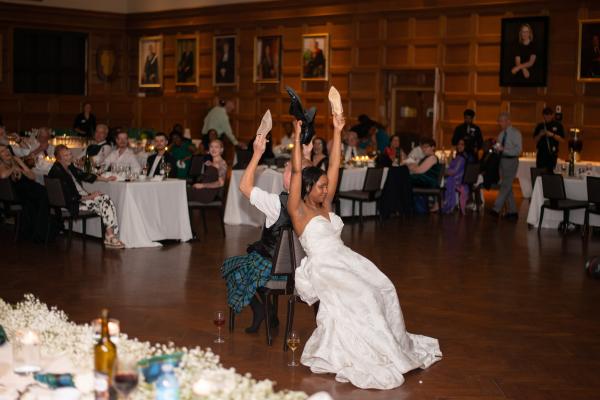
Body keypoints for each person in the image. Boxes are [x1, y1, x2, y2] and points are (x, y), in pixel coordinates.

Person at [287, 113, 441, 390]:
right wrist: (297, 138)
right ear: (307, 188)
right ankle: (373, 354)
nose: (326, 190)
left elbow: (335, 165)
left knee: (385, 287)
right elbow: (297, 172)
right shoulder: (298, 211)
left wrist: (337, 130)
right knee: (366, 296)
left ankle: (393, 345)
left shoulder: (325, 204)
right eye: (321, 187)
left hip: (345, 258)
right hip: (325, 267)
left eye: (326, 186)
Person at [49, 145, 124, 248]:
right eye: (65, 155)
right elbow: (70, 197)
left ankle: (110, 235)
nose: (70, 157)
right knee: (104, 201)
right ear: (58, 158)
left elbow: (84, 175)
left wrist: (105, 179)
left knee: (104, 200)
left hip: (78, 199)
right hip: (71, 204)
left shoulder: (68, 167)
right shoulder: (58, 172)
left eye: (70, 154)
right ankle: (110, 236)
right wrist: (90, 197)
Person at [0, 144, 52, 242]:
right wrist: (13, 168)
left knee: (44, 195)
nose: (6, 152)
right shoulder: (2, 165)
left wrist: (20, 167)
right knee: (43, 197)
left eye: (7, 149)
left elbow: (32, 176)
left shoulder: (16, 160)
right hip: (20, 193)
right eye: (2, 151)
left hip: (29, 188)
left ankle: (39, 233)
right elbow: (2, 175)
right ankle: (40, 234)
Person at [490, 112, 522, 220]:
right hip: (502, 161)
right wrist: (495, 147)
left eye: (501, 121)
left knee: (505, 186)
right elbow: (499, 148)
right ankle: (513, 212)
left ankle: (496, 209)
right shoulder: (501, 134)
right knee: (507, 187)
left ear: (508, 121)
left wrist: (504, 150)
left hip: (511, 161)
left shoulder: (516, 133)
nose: (499, 123)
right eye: (499, 121)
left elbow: (518, 150)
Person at [442, 139, 469, 214]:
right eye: (458, 144)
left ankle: (444, 204)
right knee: (442, 180)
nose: (459, 146)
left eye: (462, 144)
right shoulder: (459, 156)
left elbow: (454, 171)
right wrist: (451, 152)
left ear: (465, 146)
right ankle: (441, 203)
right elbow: (449, 163)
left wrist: (443, 172)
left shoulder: (462, 157)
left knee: (440, 182)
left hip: (458, 180)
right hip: (456, 177)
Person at [533, 107, 564, 172]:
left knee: (550, 174)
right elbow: (535, 140)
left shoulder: (558, 125)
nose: (547, 117)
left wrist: (552, 135)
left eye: (549, 115)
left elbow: (562, 140)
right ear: (543, 115)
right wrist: (540, 135)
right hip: (541, 154)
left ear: (552, 115)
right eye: (545, 115)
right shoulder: (540, 126)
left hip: (552, 154)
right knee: (540, 173)